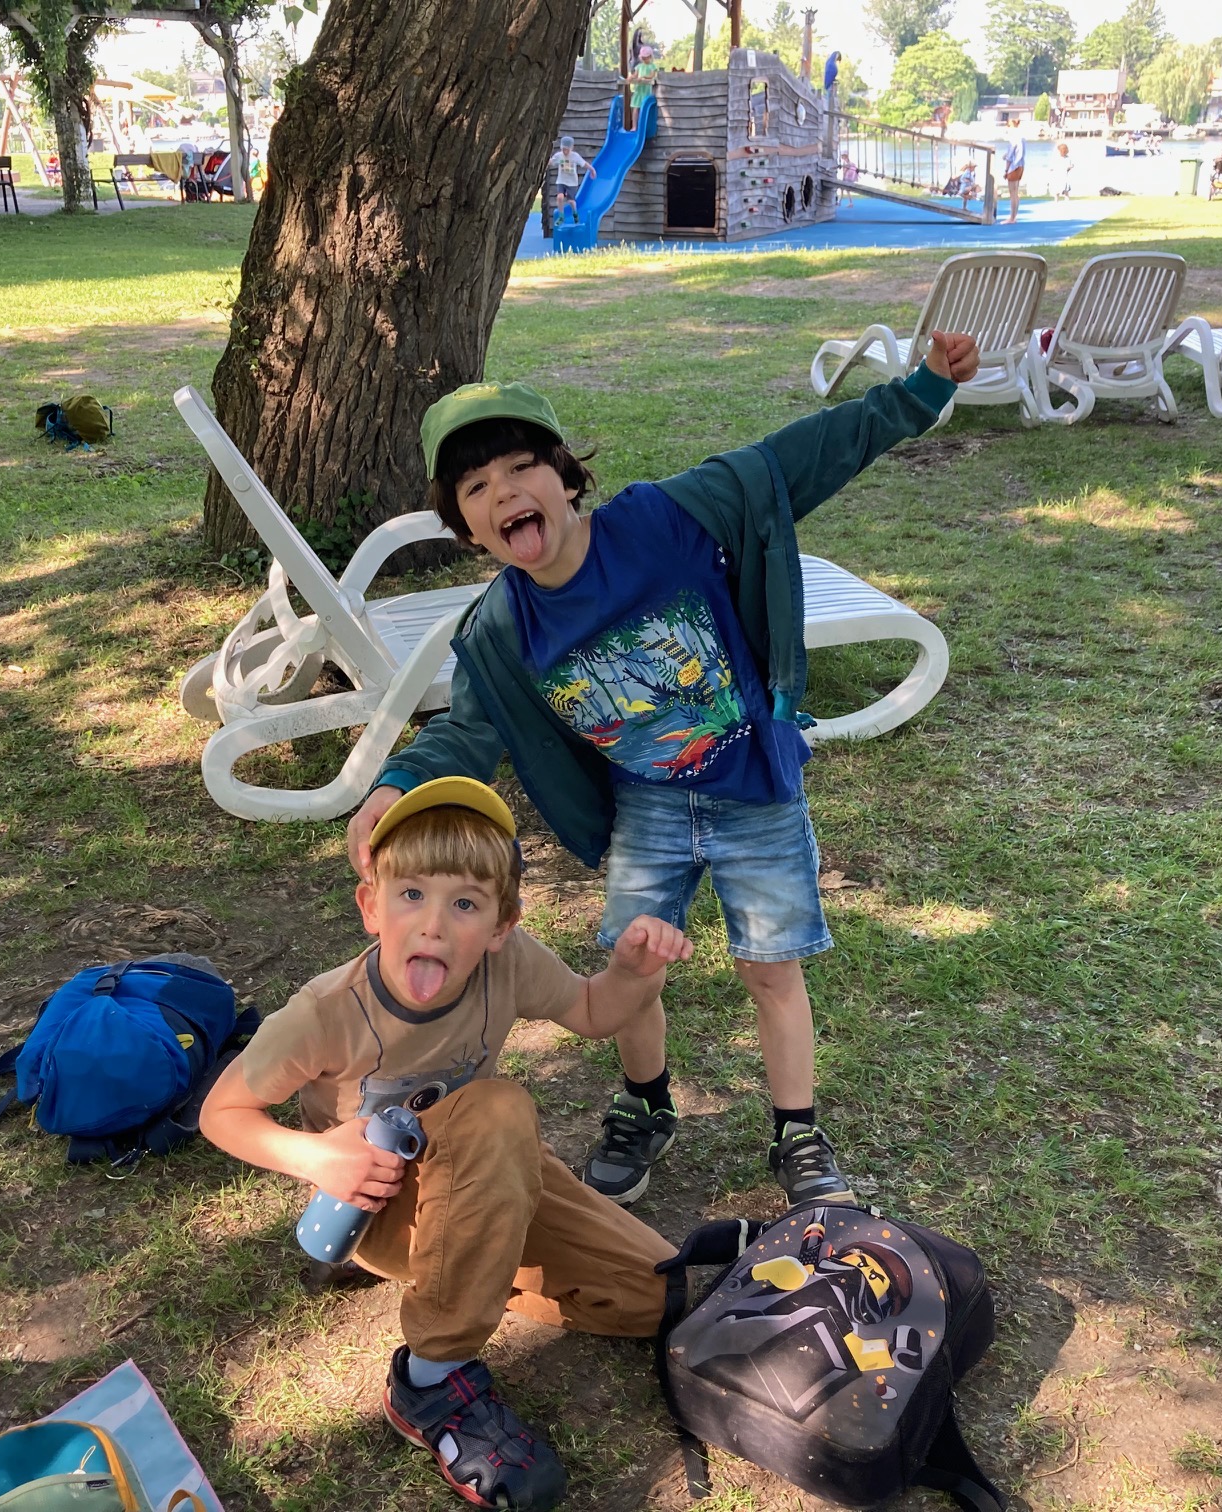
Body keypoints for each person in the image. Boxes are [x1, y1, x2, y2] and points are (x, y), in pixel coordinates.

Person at [343, 334, 982, 1214]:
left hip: (755, 785)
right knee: (634, 968)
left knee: (772, 971)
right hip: (645, 808)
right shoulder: (502, 627)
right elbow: (470, 727)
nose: (506, 493)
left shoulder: (668, 519)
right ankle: (645, 1106)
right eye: (477, 488)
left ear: (566, 476)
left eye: (522, 467)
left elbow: (797, 460)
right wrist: (394, 785)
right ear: (467, 527)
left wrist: (919, 392)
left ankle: (797, 1130)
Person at [201, 777, 690, 1512]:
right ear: (371, 906)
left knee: (660, 1296)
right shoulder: (325, 1012)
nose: (433, 925)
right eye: (411, 895)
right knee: (497, 1108)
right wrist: (317, 1156)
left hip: (487, 1181)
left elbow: (593, 1010)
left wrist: (631, 974)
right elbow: (222, 1111)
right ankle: (431, 1378)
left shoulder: (508, 961)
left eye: (465, 904)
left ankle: (470, 1268)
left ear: (501, 924)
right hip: (382, 1209)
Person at [547, 133, 594, 226]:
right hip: (561, 181)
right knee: (560, 197)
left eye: (567, 150)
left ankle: (575, 214)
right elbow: (551, 162)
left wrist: (592, 169)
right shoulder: (559, 156)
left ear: (571, 148)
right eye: (563, 149)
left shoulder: (575, 156)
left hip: (572, 183)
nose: (565, 152)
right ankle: (561, 216)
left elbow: (584, 163)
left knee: (571, 202)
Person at [1001, 124, 1027, 224]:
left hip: (1013, 167)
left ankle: (1011, 218)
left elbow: (1009, 158)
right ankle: (1014, 216)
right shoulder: (1022, 139)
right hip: (1021, 166)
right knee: (1015, 192)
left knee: (1012, 193)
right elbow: (1018, 153)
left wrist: (1006, 171)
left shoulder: (1013, 140)